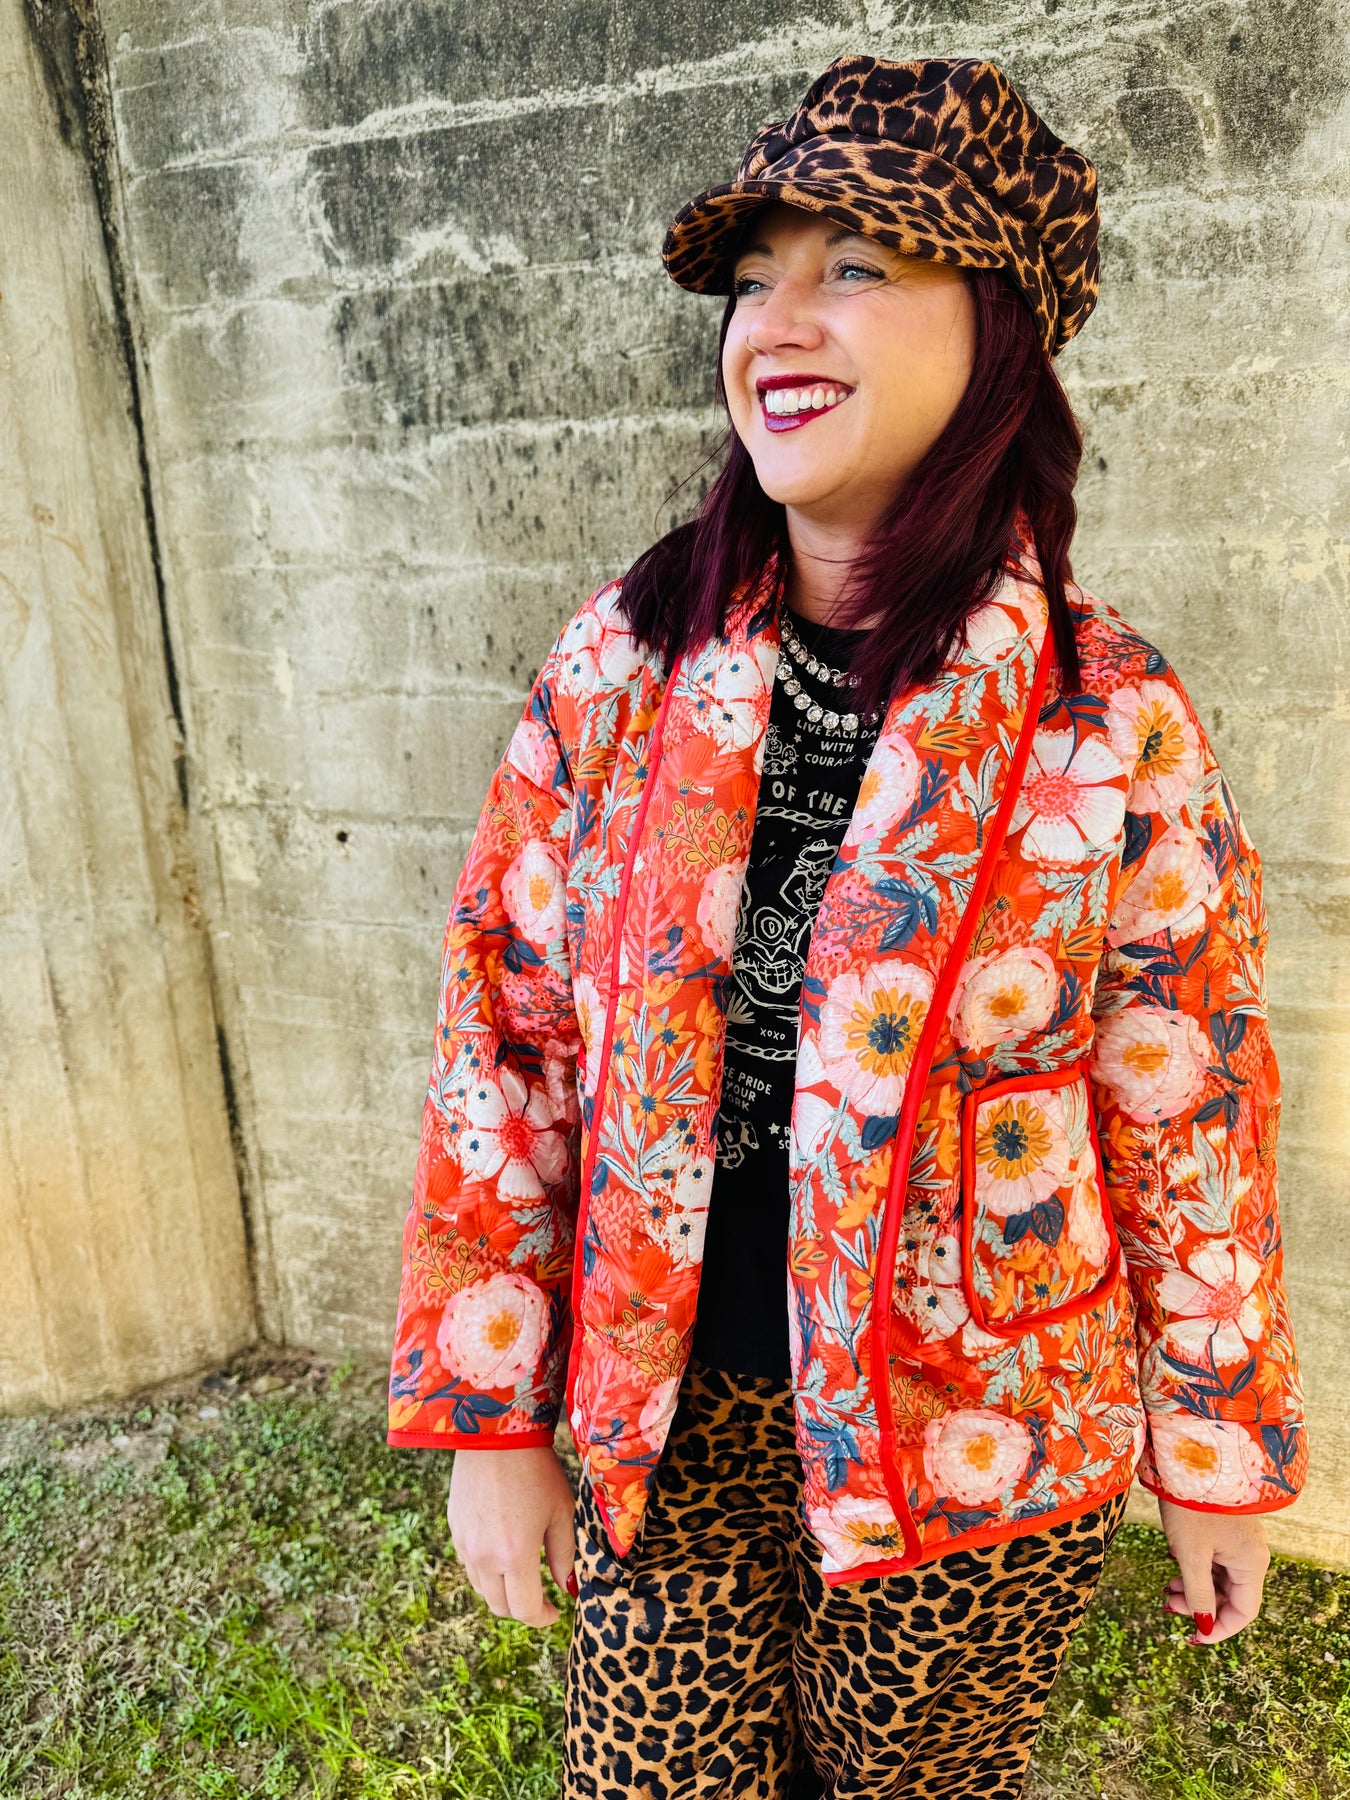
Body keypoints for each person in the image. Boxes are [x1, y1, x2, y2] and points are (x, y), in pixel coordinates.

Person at [385, 53, 1308, 1799]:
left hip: (980, 1444)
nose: (776, 323)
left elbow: (1185, 1103)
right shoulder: (627, 663)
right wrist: (490, 1417)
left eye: (858, 267)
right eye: (753, 282)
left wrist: (1214, 1448)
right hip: (665, 1413)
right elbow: (506, 1035)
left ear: (998, 332)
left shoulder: (1102, 717)